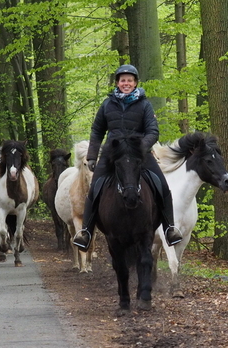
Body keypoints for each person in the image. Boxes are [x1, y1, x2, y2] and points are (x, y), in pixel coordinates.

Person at [72, 64, 182, 251]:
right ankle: (86, 233)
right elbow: (97, 130)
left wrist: (140, 148)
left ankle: (170, 228)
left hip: (139, 155)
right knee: (94, 189)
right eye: (123, 80)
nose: (126, 83)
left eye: (130, 80)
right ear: (117, 83)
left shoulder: (145, 105)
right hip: (112, 155)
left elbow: (153, 131)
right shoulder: (107, 105)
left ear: (135, 83)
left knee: (161, 185)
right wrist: (92, 156)